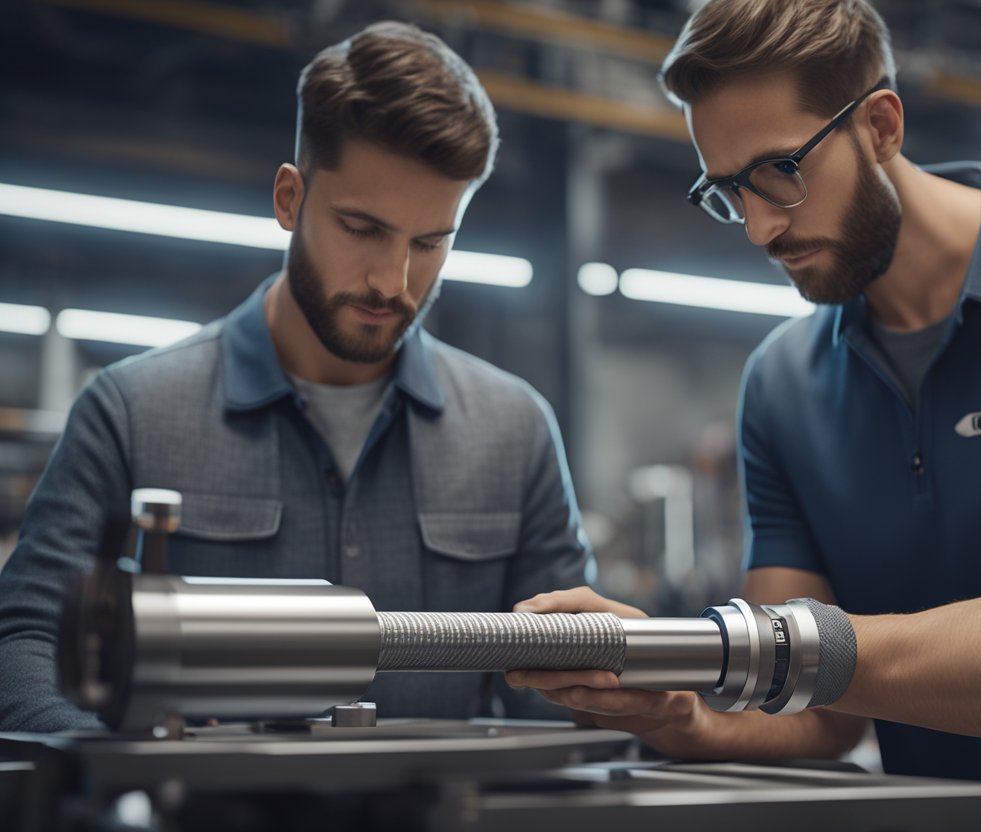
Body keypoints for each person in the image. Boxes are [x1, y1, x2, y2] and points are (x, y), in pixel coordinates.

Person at [505, 1, 981, 828]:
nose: (761, 227)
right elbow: (816, 716)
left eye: (780, 169)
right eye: (729, 191)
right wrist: (680, 707)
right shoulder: (781, 383)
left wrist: (767, 646)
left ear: (880, 125)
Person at [0, 21, 592, 731]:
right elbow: (25, 645)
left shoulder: (516, 431)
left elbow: (567, 687)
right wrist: (125, 766)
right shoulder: (129, 413)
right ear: (290, 199)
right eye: (362, 227)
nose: (392, 280)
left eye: (430, 242)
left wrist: (613, 682)